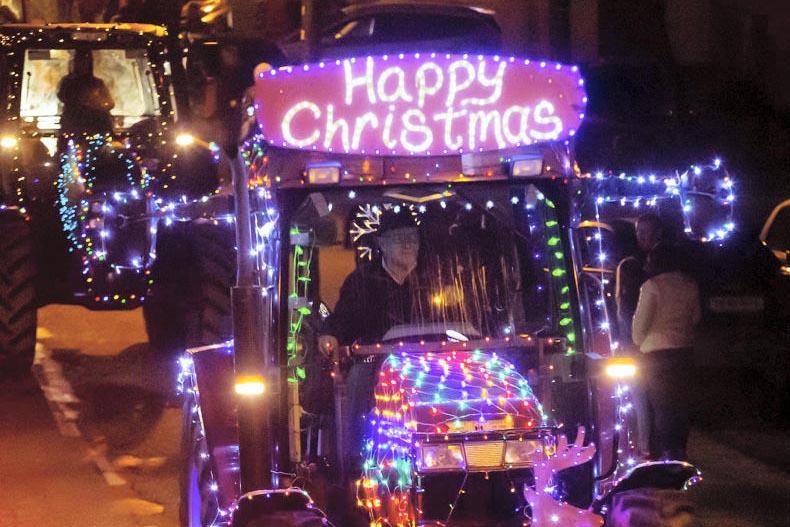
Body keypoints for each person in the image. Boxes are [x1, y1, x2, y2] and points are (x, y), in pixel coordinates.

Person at [318, 209, 421, 476]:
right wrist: (331, 334)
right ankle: (354, 459)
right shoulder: (361, 281)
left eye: (412, 237)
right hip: (375, 361)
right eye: (399, 238)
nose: (408, 244)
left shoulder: (433, 279)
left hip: (428, 360)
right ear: (381, 244)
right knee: (357, 379)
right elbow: (342, 319)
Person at [632, 242, 701, 460]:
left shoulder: (652, 286)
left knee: (662, 405)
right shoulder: (690, 284)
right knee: (681, 404)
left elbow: (640, 324)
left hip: (657, 352)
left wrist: (638, 341)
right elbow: (696, 316)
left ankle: (665, 451)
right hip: (683, 350)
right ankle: (680, 450)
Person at [57, 50, 115, 136]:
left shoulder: (97, 83)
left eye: (85, 61)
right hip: (73, 127)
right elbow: (62, 96)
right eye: (80, 61)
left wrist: (98, 105)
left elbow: (110, 103)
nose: (83, 64)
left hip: (96, 127)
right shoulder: (68, 82)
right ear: (75, 62)